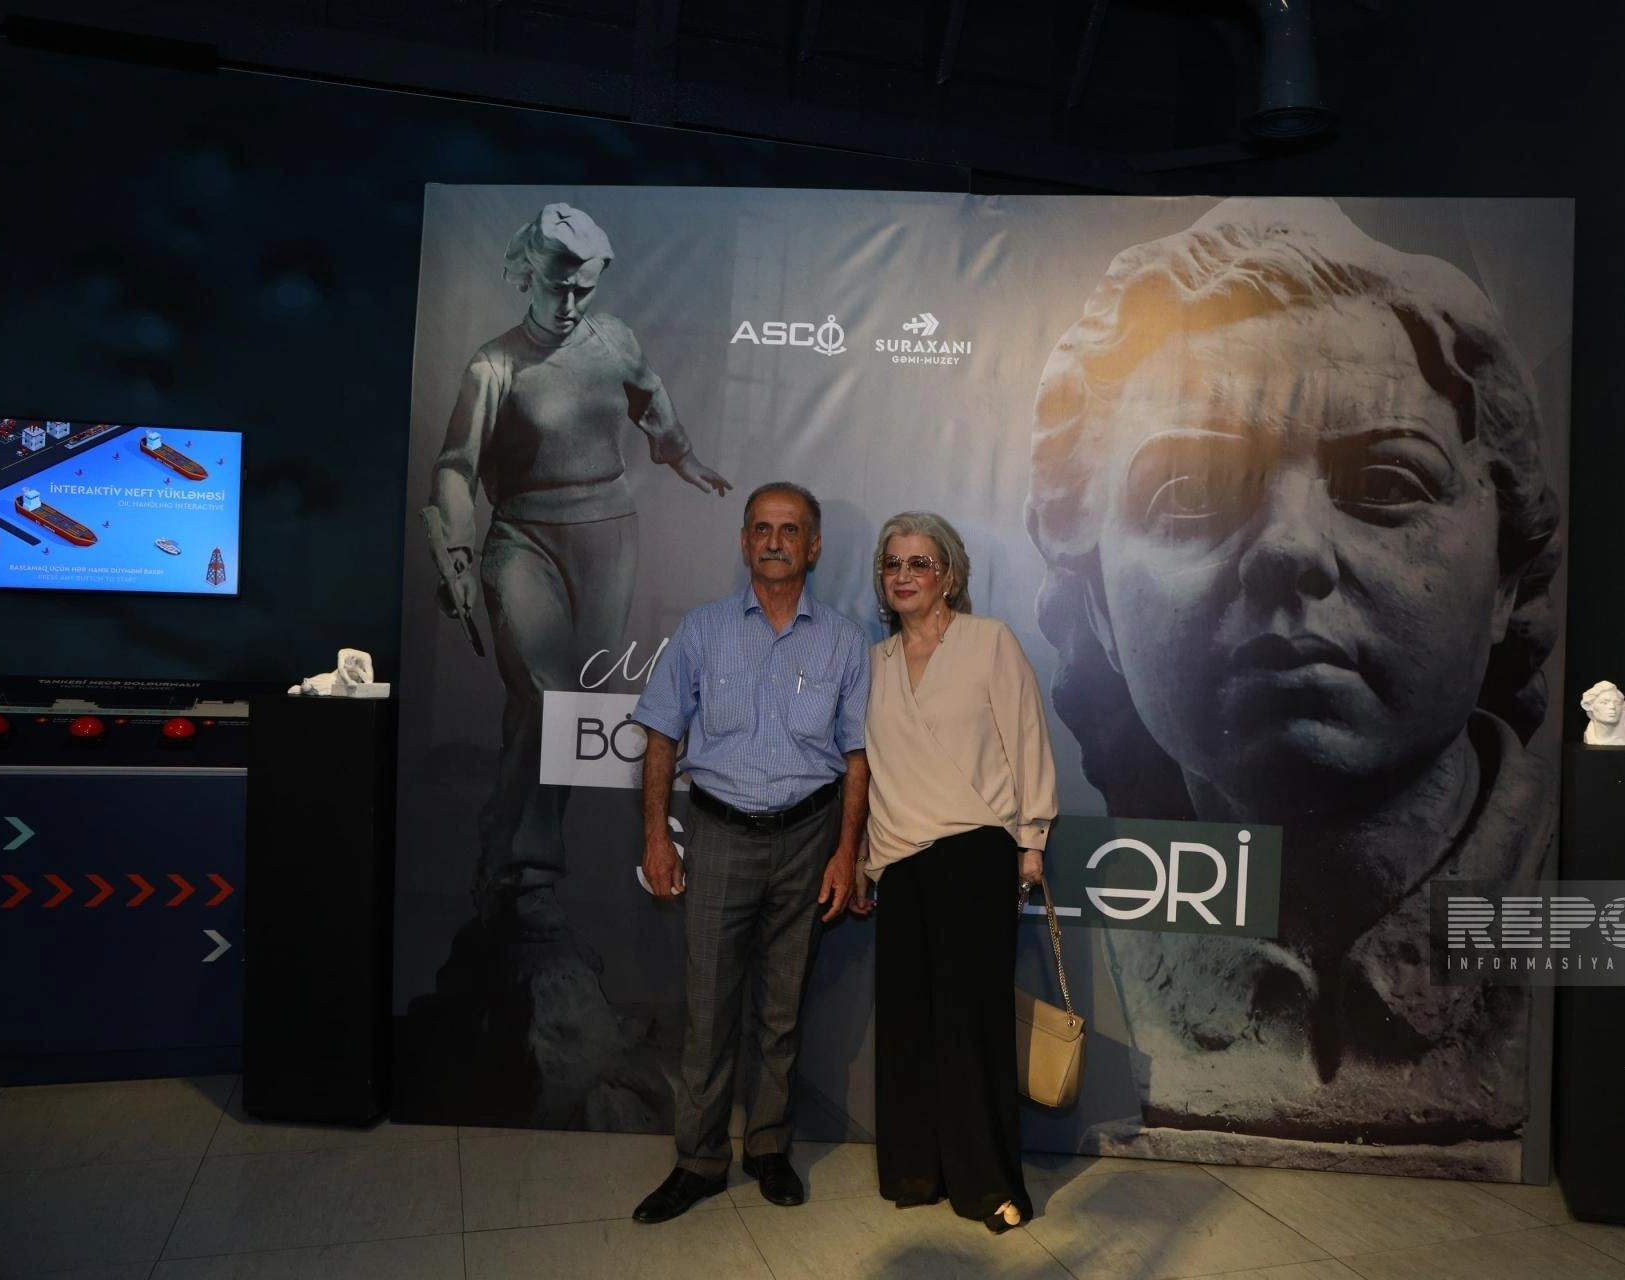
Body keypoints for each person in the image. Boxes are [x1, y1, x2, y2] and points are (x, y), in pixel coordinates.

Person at [1024, 197, 1564, 1174]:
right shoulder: (1079, 921)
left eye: (1388, 484)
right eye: (1191, 490)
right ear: (1097, 599)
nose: (1287, 547)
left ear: (1507, 580)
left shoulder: (1587, 886)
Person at [428, 202, 730, 938]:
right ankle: (529, 870)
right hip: (523, 541)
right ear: (529, 273)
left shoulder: (614, 340)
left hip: (608, 538)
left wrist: (681, 453)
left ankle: (509, 845)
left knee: (579, 709)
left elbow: (649, 394)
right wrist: (458, 553)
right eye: (556, 286)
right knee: (547, 696)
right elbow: (456, 467)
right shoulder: (495, 365)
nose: (568, 304)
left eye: (583, 289)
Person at [628, 482, 870, 1223]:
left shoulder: (845, 640)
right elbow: (661, 739)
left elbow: (857, 757)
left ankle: (767, 1149)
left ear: (813, 547)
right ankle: (700, 1161)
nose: (774, 541)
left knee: (781, 1010)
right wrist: (656, 839)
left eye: (790, 530)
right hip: (720, 834)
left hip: (809, 839)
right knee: (708, 1011)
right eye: (761, 528)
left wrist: (846, 853)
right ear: (743, 542)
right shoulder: (702, 630)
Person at [859, 511, 1057, 1234]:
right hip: (897, 860)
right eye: (893, 564)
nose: (904, 575)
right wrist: (863, 860)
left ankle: (987, 1183)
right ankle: (916, 1169)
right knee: (908, 1024)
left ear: (949, 575)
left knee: (971, 1025)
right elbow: (866, 767)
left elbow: (1027, 738)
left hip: (974, 853)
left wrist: (1032, 840)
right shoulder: (873, 663)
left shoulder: (988, 642)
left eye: (920, 562)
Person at [1580, 680, 1625, 745]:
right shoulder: (1590, 736)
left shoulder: (1624, 737)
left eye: (1617, 702)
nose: (1612, 707)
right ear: (1589, 706)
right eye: (1604, 703)